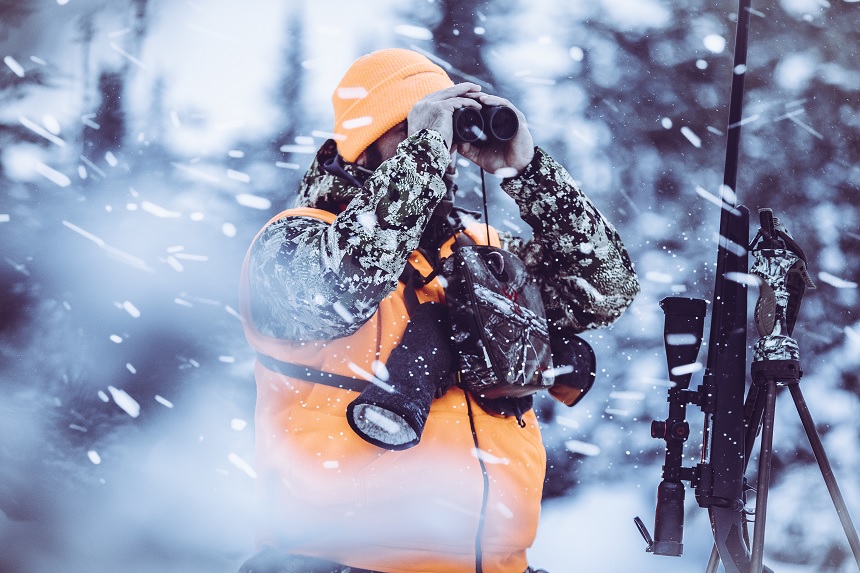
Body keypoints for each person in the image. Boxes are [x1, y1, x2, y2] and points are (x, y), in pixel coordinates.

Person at [238, 48, 639, 573]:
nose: (443, 147)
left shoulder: (482, 251)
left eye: (447, 128)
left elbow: (604, 287)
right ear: (366, 140)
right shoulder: (294, 242)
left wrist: (528, 170)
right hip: (335, 561)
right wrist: (423, 152)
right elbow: (348, 281)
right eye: (417, 126)